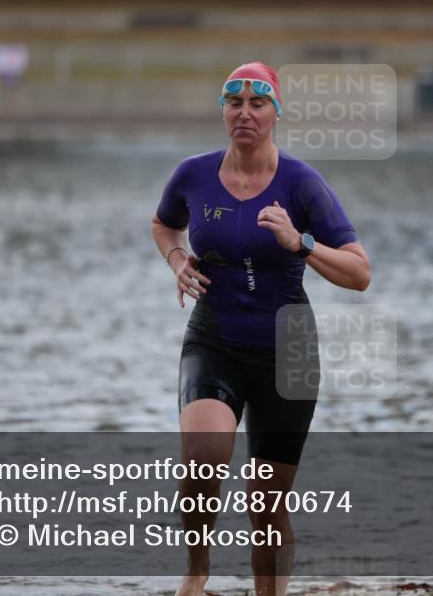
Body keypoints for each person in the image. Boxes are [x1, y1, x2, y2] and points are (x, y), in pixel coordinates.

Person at [150, 61, 371, 596]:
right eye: (234, 103)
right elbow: (163, 223)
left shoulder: (303, 184)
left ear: (275, 114)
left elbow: (360, 272)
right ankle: (196, 574)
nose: (244, 113)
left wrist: (302, 243)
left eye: (257, 104)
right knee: (204, 458)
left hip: (287, 347)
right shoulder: (193, 174)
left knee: (266, 504)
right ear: (223, 112)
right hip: (215, 336)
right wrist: (178, 258)